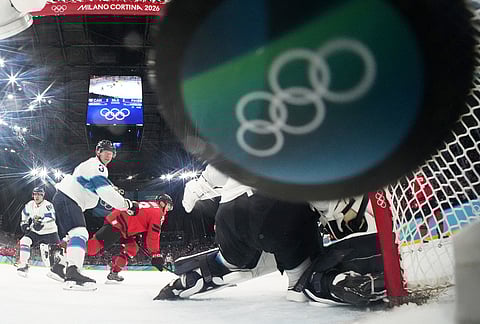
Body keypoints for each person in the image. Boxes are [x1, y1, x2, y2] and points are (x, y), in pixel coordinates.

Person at [154, 165, 386, 306]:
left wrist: (193, 193)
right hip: (277, 209)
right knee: (302, 280)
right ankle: (330, 282)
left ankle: (201, 275)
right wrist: (336, 213)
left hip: (228, 216)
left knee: (235, 262)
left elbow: (205, 181)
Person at [52, 139, 138, 290]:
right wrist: (127, 204)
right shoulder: (97, 166)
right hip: (68, 199)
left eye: (111, 152)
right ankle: (73, 275)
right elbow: (104, 191)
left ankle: (59, 268)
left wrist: (112, 191)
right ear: (97, 152)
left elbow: (95, 192)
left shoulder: (92, 167)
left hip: (66, 199)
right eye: (105, 151)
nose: (108, 155)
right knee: (80, 233)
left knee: (74, 236)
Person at [86, 194, 173, 283]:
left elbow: (140, 218)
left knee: (132, 248)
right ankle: (74, 247)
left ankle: (114, 272)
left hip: (124, 225)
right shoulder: (158, 213)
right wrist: (156, 254)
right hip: (119, 223)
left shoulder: (152, 207)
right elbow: (153, 236)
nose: (168, 210)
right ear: (162, 203)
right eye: (168, 206)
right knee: (93, 248)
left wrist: (137, 234)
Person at [17, 187, 61, 279]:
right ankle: (23, 265)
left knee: (57, 252)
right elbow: (24, 214)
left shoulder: (48, 205)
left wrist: (41, 222)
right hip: (35, 231)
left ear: (43, 196)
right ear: (33, 195)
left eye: (39, 194)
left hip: (50, 232)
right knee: (24, 240)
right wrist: (24, 224)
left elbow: (51, 217)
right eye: (35, 194)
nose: (37, 196)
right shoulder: (30, 205)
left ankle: (57, 269)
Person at [409, 172, 447, 241]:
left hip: (430, 199)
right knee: (426, 219)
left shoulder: (425, 176)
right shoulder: (417, 179)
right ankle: (423, 238)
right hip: (423, 201)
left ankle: (441, 234)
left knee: (439, 215)